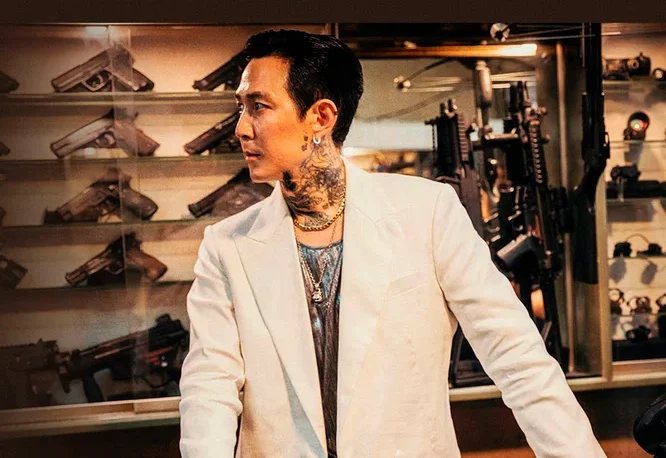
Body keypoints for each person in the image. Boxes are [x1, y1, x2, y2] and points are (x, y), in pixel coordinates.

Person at [178, 29, 607, 458]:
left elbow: (517, 356)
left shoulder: (426, 213)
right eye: (241, 107)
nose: (241, 128)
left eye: (259, 107)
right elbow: (209, 388)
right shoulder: (227, 245)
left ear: (321, 117)